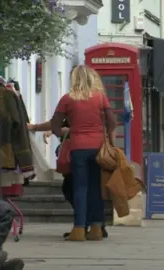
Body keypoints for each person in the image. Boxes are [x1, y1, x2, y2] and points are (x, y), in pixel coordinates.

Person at [50, 65, 117, 241]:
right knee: (95, 187)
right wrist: (107, 137)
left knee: (80, 187)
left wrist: (67, 132)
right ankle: (95, 228)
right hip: (97, 147)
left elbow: (55, 125)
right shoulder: (100, 97)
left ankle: (79, 229)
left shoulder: (67, 99)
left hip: (78, 148)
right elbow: (112, 121)